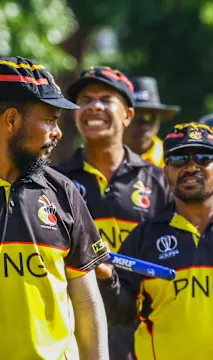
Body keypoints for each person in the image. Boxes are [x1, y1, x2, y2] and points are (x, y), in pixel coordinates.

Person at [97, 122, 213, 359]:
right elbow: (119, 315)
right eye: (178, 160)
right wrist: (105, 278)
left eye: (204, 158)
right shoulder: (144, 236)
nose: (190, 167)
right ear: (166, 171)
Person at [57, 66, 173, 360]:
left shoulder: (158, 180)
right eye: (85, 99)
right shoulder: (53, 182)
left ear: (128, 115)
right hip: (75, 330)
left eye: (106, 99)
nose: (94, 106)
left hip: (144, 334)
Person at [0, 56, 109, 359]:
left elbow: (86, 302)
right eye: (49, 120)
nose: (58, 132)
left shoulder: (63, 192)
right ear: (12, 120)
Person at [124, 76, 181, 167]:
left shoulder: (177, 159)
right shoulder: (101, 158)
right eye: (134, 117)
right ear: (121, 119)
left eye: (149, 117)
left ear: (159, 119)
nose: (142, 125)